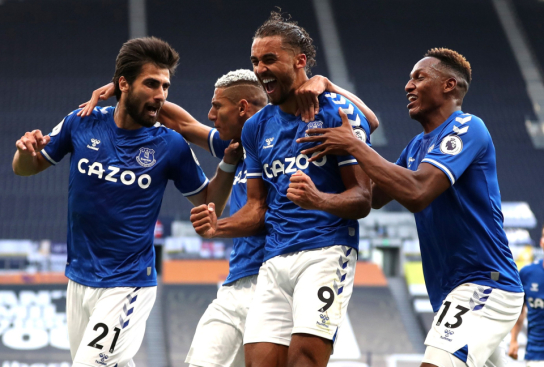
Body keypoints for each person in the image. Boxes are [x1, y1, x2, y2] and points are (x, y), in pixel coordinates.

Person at [79, 67, 379, 367]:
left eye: (216, 107)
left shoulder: (292, 138)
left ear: (242, 108)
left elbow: (369, 121)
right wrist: (126, 91)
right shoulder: (235, 144)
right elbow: (179, 123)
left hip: (277, 278)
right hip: (236, 283)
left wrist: (328, 85)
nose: (210, 115)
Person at [12, 37, 238, 367]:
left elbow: (207, 201)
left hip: (128, 284)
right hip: (78, 279)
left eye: (165, 86)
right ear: (123, 84)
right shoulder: (82, 120)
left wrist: (229, 165)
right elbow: (27, 168)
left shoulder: (170, 145)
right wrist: (23, 152)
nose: (160, 94)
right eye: (151, 84)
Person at [298, 48, 524, 367]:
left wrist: (353, 144)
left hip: (484, 284)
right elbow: (373, 196)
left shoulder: (467, 127)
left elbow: (418, 192)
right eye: (409, 79)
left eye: (419, 77)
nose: (408, 86)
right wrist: (334, 92)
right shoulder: (416, 147)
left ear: (449, 85)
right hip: (448, 292)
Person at [190, 12, 373, 367]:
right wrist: (218, 227)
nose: (260, 69)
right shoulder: (256, 128)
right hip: (273, 260)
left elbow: (363, 199)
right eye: (256, 61)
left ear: (299, 61)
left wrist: (318, 199)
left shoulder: (337, 112)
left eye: (269, 59)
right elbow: (257, 208)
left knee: (304, 360)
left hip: (326, 250)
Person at [509, 225, 544, 364]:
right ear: (541, 242)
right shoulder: (527, 273)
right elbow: (519, 310)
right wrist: (513, 340)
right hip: (535, 355)